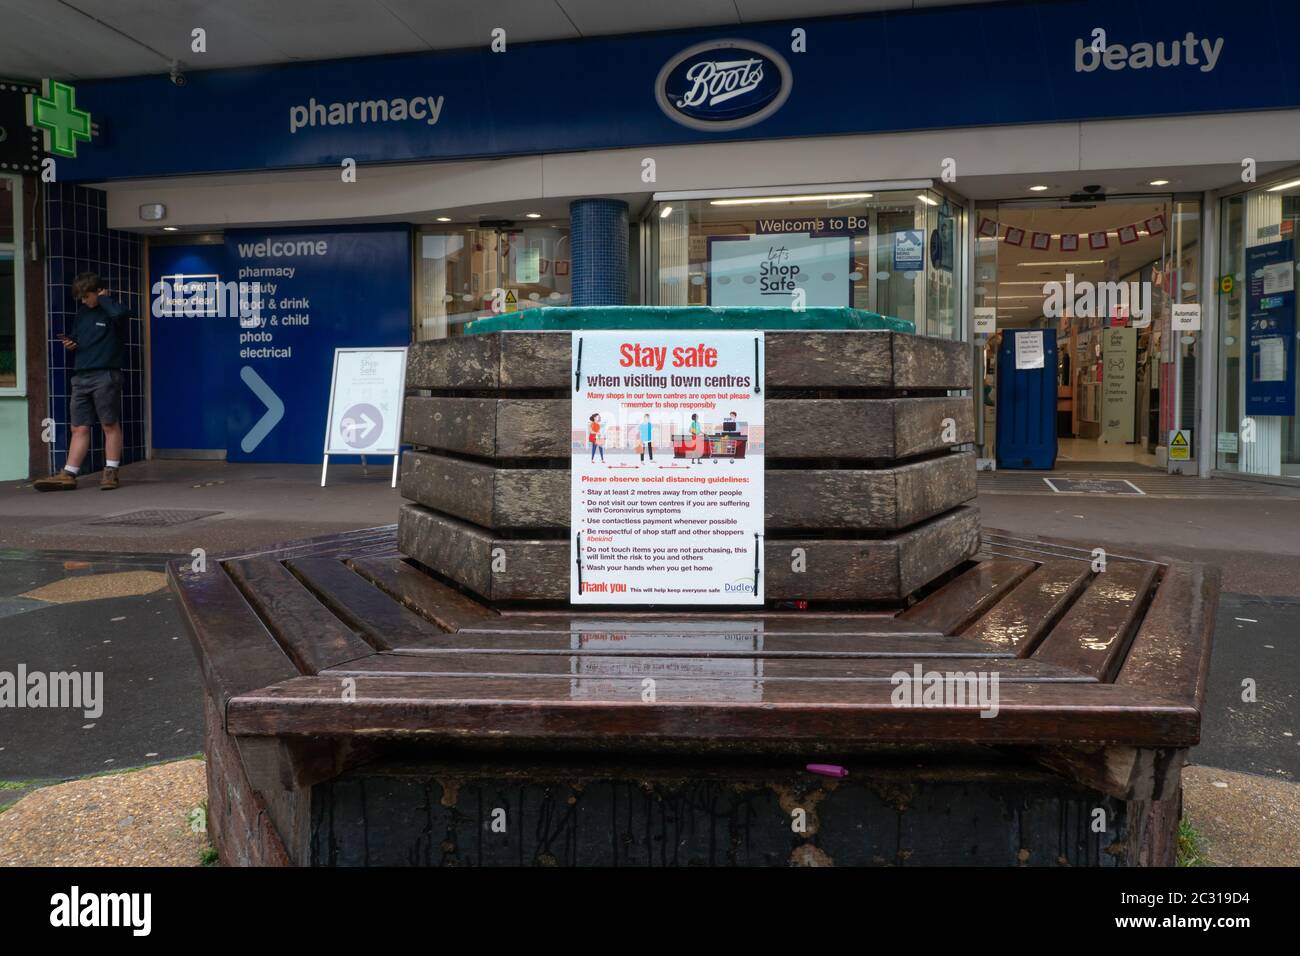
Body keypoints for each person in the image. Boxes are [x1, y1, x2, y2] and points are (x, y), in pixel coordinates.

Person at [35, 273, 129, 491]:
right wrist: (71, 343)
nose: (84, 301)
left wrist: (104, 299)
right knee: (78, 427)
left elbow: (120, 313)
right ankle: (69, 473)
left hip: (105, 374)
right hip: (81, 375)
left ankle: (111, 471)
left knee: (109, 423)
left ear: (99, 292)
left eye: (87, 296)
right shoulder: (82, 313)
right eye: (81, 298)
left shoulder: (113, 310)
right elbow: (77, 337)